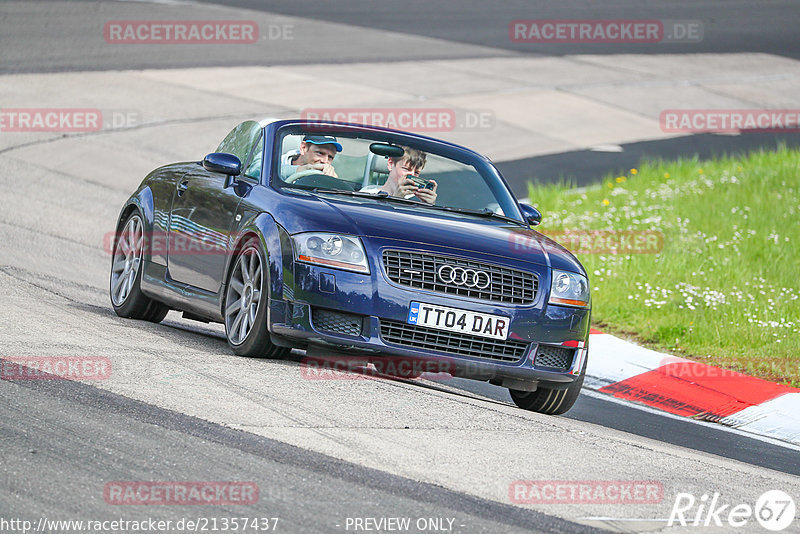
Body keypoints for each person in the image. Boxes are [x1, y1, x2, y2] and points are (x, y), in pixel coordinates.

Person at [371, 146, 437, 204]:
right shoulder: (367, 195)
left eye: (416, 173)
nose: (412, 175)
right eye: (406, 169)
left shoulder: (416, 201)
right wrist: (396, 200)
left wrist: (429, 206)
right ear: (390, 164)